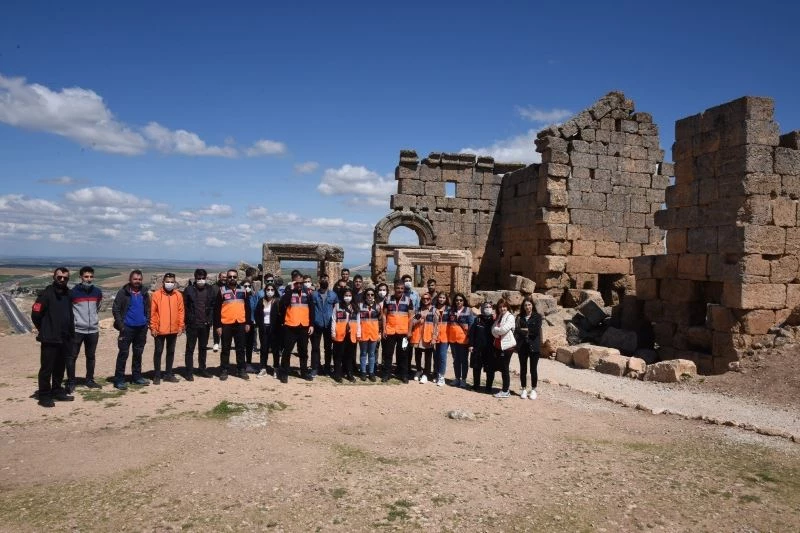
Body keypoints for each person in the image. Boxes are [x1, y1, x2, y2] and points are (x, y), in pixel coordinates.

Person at [31, 267, 75, 407]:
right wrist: (43, 329)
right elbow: (36, 314)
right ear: (54, 277)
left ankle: (57, 390)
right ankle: (44, 395)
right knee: (47, 368)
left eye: (65, 278)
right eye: (59, 277)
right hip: (50, 337)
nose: (62, 279)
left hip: (65, 337)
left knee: (60, 367)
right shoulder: (46, 294)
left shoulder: (68, 293)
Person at [112, 270, 151, 389]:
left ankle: (137, 377)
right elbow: (116, 309)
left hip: (141, 328)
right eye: (135, 279)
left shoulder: (144, 292)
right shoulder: (123, 292)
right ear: (130, 279)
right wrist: (121, 325)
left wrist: (147, 322)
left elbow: (148, 308)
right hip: (127, 328)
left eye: (139, 279)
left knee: (138, 354)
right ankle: (119, 379)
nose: (137, 281)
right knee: (123, 354)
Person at [68, 266, 103, 391]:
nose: (89, 279)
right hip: (77, 330)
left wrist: (92, 320)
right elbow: (70, 311)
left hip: (93, 330)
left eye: (91, 276)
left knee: (91, 356)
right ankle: (71, 382)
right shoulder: (73, 293)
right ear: (80, 277)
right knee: (72, 356)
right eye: (86, 276)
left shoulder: (97, 292)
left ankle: (89, 380)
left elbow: (97, 308)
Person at [213, 268, 251, 381]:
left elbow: (247, 308)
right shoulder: (222, 290)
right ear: (227, 278)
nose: (232, 279)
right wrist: (218, 326)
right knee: (225, 348)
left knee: (240, 348)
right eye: (230, 277)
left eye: (234, 277)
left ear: (237, 278)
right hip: (226, 323)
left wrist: (248, 322)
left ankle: (241, 369)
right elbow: (216, 310)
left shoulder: (243, 290)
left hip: (240, 323)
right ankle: (224, 369)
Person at [279, 271, 315, 382]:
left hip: (303, 326)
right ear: (293, 282)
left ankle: (304, 372)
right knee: (287, 351)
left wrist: (311, 324)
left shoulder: (308, 293)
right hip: (290, 325)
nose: (299, 285)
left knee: (303, 351)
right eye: (297, 283)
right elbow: (283, 304)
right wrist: (290, 290)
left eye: (301, 283)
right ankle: (284, 373)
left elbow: (312, 310)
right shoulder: (289, 292)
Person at [150, 273, 185, 384]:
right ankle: (157, 375)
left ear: (175, 283)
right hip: (160, 329)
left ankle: (168, 374)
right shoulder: (156, 295)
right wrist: (153, 327)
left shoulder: (178, 295)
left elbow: (181, 312)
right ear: (163, 282)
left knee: (171, 352)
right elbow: (153, 312)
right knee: (158, 351)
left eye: (171, 282)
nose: (169, 283)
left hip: (173, 329)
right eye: (167, 281)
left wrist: (180, 326)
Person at [183, 268, 216, 380]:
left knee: (203, 348)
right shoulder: (189, 290)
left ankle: (202, 369)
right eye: (198, 278)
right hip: (192, 325)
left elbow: (212, 306)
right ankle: (189, 372)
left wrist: (210, 320)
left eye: (203, 278)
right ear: (195, 278)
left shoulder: (210, 289)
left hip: (205, 325)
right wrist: (186, 321)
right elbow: (184, 307)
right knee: (190, 349)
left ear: (205, 278)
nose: (201, 280)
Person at [381, 279, 413, 383]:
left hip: (403, 332)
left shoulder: (408, 300)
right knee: (388, 354)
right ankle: (386, 374)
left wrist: (409, 331)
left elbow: (411, 317)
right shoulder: (388, 299)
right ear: (394, 288)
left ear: (404, 289)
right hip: (390, 332)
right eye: (398, 288)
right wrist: (384, 329)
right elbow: (384, 315)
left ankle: (404, 375)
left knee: (403, 354)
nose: (399, 290)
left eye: (402, 288)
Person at [515, 297, 543, 400]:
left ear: (532, 306)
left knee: (533, 369)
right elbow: (516, 331)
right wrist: (526, 330)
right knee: (523, 369)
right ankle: (523, 389)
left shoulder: (537, 317)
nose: (528, 307)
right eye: (526, 305)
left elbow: (536, 331)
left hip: (534, 346)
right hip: (522, 346)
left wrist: (524, 330)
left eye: (529, 305)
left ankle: (534, 389)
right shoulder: (519, 317)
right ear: (523, 307)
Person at [311, 273, 338, 377]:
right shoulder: (314, 295)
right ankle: (315, 368)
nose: (324, 281)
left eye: (326, 279)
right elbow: (311, 310)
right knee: (315, 347)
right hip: (317, 324)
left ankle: (327, 368)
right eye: (322, 279)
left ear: (328, 281)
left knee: (328, 348)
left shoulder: (333, 295)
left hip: (328, 324)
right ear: (319, 281)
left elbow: (336, 309)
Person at [489, 298, 516, 398]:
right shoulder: (500, 316)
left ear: (507, 307)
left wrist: (497, 330)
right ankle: (504, 389)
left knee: (504, 368)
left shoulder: (510, 317)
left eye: (504, 306)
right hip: (499, 345)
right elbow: (492, 330)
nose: (502, 308)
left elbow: (503, 330)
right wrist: (496, 331)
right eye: (500, 307)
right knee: (502, 367)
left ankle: (505, 390)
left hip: (507, 346)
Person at [254, 282, 282, 377]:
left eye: (272, 290)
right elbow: (257, 314)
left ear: (275, 291)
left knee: (275, 349)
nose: (270, 291)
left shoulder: (278, 301)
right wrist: (259, 324)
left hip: (275, 329)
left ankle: (276, 368)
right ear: (265, 291)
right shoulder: (261, 301)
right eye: (268, 290)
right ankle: (263, 368)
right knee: (264, 348)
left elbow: (281, 315)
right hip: (264, 328)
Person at [447, 293, 474, 388]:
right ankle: (457, 378)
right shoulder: (451, 311)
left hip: (464, 340)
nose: (459, 301)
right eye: (457, 300)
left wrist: (471, 341)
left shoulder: (468, 311)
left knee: (464, 360)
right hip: (453, 340)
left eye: (461, 300)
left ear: (464, 301)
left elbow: (471, 326)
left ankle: (463, 379)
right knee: (456, 360)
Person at [410, 291, 437, 384]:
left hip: (428, 336)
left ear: (430, 300)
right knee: (417, 355)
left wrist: (434, 337)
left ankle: (426, 374)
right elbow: (412, 322)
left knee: (428, 357)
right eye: (424, 298)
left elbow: (436, 325)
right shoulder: (418, 309)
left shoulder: (434, 310)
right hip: (418, 336)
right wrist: (419, 320)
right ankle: (418, 370)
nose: (425, 300)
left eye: (427, 299)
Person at [331, 288, 357, 382]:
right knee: (338, 355)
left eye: (349, 296)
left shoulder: (355, 307)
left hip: (351, 334)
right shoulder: (337, 306)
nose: (348, 297)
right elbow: (334, 320)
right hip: (339, 333)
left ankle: (349, 373)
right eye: (346, 295)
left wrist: (358, 333)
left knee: (349, 355)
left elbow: (357, 321)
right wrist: (333, 332)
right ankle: (337, 374)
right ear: (342, 296)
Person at [469, 302, 495, 392]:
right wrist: (471, 345)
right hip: (478, 348)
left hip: (490, 348)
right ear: (482, 309)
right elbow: (472, 333)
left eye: (489, 307)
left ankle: (488, 387)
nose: (488, 308)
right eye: (486, 307)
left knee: (490, 369)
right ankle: (476, 386)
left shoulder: (494, 320)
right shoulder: (477, 319)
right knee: (476, 367)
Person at [356, 287, 381, 381]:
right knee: (363, 353)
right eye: (368, 294)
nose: (370, 296)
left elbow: (380, 321)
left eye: (372, 294)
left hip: (374, 333)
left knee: (371, 354)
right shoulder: (360, 306)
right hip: (363, 333)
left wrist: (379, 333)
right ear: (365, 295)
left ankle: (371, 373)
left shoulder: (378, 307)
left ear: (374, 295)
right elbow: (358, 321)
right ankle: (363, 372)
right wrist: (358, 333)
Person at [432, 292, 450, 386]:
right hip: (435, 335)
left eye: (443, 298)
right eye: (440, 297)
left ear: (446, 299)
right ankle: (436, 373)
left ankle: (441, 376)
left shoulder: (449, 309)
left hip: (445, 336)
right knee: (436, 356)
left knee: (442, 356)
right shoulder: (433, 309)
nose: (441, 299)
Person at [243, 276, 257, 365]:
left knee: (249, 345)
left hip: (252, 323)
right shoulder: (240, 297)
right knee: (241, 345)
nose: (247, 288)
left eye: (249, 286)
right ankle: (240, 364)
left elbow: (256, 308)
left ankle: (248, 363)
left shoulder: (253, 297)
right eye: (245, 286)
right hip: (241, 323)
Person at [211, 272, 226, 352]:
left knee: (226, 327)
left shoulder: (228, 287)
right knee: (216, 326)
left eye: (226, 277)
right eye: (223, 277)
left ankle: (225, 343)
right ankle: (216, 343)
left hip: (226, 310)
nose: (224, 278)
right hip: (216, 310)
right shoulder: (214, 287)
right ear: (219, 277)